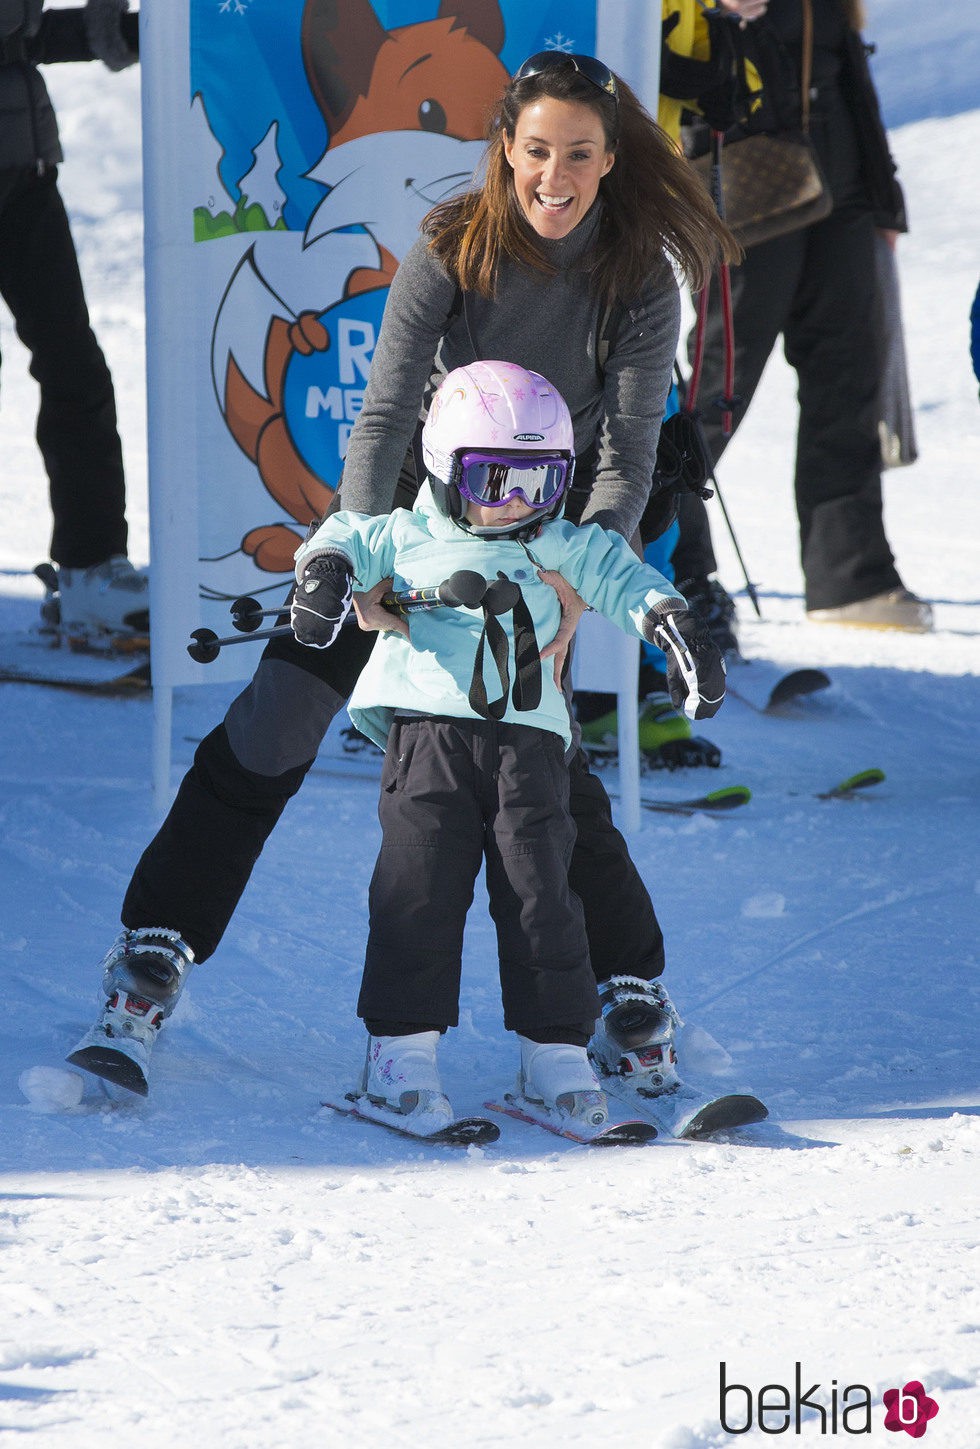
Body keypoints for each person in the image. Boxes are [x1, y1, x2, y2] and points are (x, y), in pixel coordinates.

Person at [67, 49, 739, 1101]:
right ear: (503, 150)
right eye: (534, 153)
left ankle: (626, 989)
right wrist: (355, 561)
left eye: (577, 155)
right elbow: (384, 414)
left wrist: (576, 584)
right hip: (414, 528)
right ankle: (153, 954)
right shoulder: (451, 247)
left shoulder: (639, 276)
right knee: (278, 718)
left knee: (542, 766)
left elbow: (627, 450)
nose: (552, 178)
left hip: (540, 547)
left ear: (610, 159)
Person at [288, 361, 723, 1129]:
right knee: (418, 890)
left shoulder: (556, 542)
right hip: (429, 741)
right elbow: (347, 536)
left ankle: (554, 1053)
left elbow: (621, 574)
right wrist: (324, 579)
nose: (515, 503)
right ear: (444, 469)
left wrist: (673, 624)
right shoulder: (411, 533)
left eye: (539, 481)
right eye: (494, 480)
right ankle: (400, 1052)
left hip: (532, 750)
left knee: (543, 897)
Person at [670, 0, 933, 634]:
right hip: (739, 178)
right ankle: (667, 566)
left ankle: (850, 576)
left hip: (840, 183)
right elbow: (650, 56)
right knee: (715, 393)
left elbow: (847, 72)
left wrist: (883, 196)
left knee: (849, 378)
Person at [0, 0, 147, 637]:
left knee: (76, 370)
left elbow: (19, 37)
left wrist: (107, 30)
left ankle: (90, 572)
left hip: (23, 175)